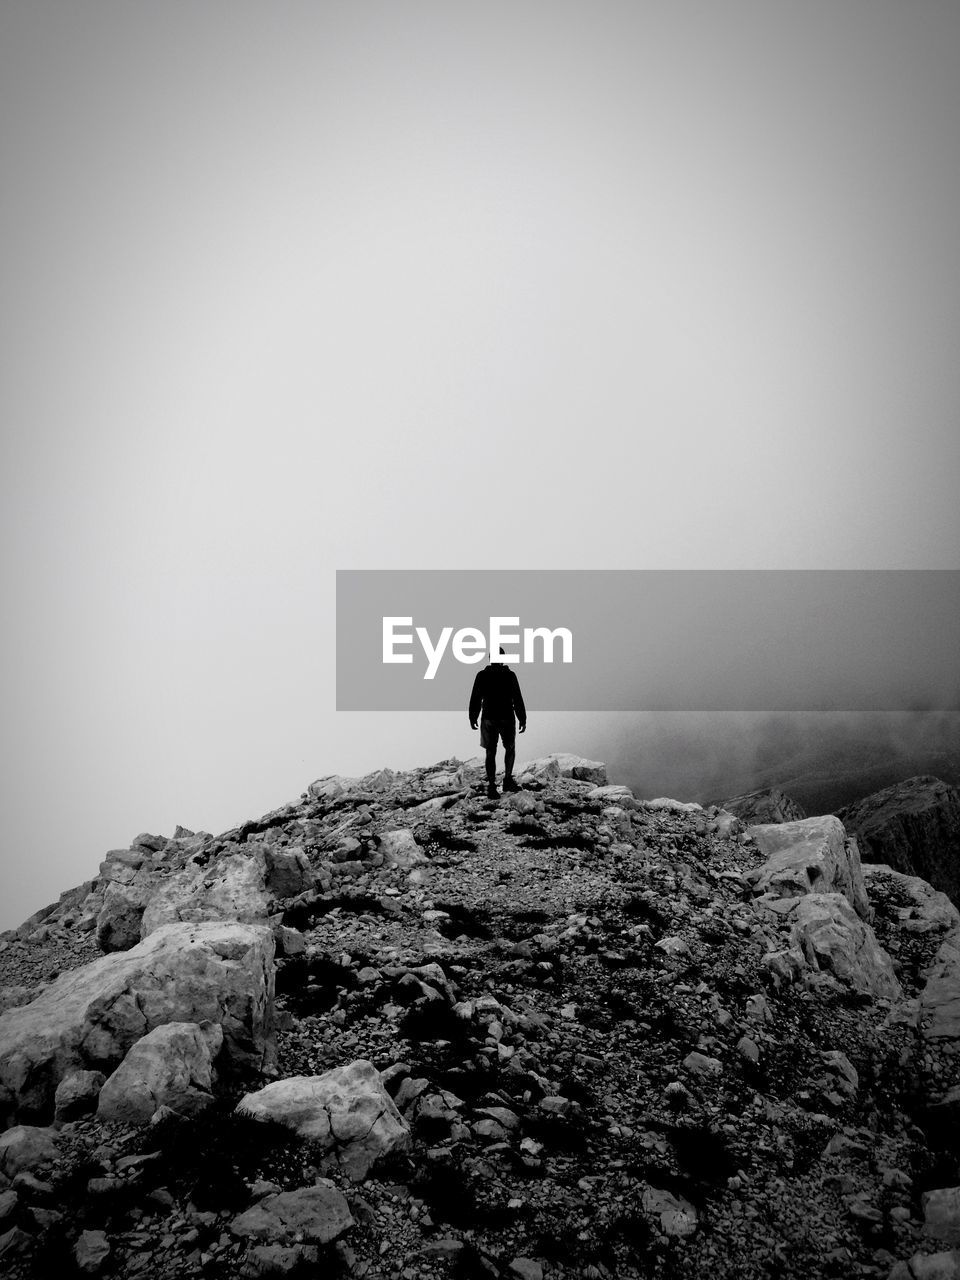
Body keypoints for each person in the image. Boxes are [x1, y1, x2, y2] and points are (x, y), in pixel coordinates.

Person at [469, 648, 527, 799]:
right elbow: (517, 698)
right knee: (510, 748)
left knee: (490, 751)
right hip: (507, 717)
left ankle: (492, 786)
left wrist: (473, 716)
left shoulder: (482, 676)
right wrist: (522, 718)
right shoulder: (510, 675)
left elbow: (475, 697)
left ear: (489, 658)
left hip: (488, 717)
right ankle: (507, 780)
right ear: (503, 658)